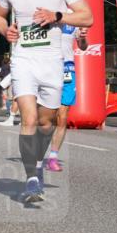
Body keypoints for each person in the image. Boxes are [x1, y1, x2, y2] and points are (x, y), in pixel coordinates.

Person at [0, 0, 93, 203]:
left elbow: (87, 17)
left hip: (52, 63)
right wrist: (5, 29)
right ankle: (31, 179)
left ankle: (38, 165)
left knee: (47, 123)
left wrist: (57, 16)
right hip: (23, 60)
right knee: (29, 119)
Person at [45, 23, 89, 171]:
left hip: (68, 69)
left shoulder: (74, 18)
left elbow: (82, 46)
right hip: (49, 67)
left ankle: (53, 157)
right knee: (46, 116)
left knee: (62, 117)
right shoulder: (47, 12)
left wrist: (82, 37)